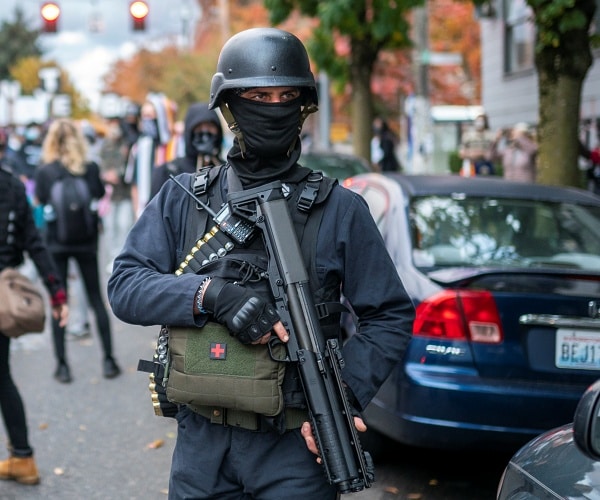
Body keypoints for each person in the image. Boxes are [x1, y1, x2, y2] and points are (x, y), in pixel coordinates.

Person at [107, 27, 414, 500]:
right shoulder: (184, 197)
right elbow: (125, 285)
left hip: (294, 447)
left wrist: (341, 396)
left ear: (303, 106)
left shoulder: (340, 209)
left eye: (286, 95)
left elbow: (389, 314)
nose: (273, 107)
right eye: (258, 95)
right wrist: (209, 295)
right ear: (231, 105)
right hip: (202, 448)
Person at [34, 118, 121, 383]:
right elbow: (96, 194)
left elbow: (41, 198)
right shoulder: (90, 167)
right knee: (96, 298)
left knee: (59, 301)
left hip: (56, 243)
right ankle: (108, 360)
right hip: (86, 241)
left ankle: (62, 365)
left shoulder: (45, 171)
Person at [0, 165, 68, 485]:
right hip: (4, 297)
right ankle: (23, 458)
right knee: (2, 377)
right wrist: (57, 295)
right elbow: (34, 243)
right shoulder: (13, 186)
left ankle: (23, 458)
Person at [149, 102, 224, 199]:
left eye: (210, 126)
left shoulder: (226, 171)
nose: (205, 131)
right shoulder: (169, 172)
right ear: (189, 131)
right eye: (199, 127)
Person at [123, 93, 174, 219]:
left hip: (170, 209)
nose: (147, 121)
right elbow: (135, 184)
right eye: (144, 116)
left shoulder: (174, 145)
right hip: (146, 210)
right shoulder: (139, 147)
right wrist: (137, 213)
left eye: (151, 116)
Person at [99, 116, 135, 273]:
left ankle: (123, 257)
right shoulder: (105, 145)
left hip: (124, 194)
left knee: (124, 225)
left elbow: (129, 168)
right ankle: (113, 257)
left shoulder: (127, 145)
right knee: (110, 227)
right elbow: (101, 165)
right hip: (109, 196)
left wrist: (118, 174)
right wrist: (106, 175)